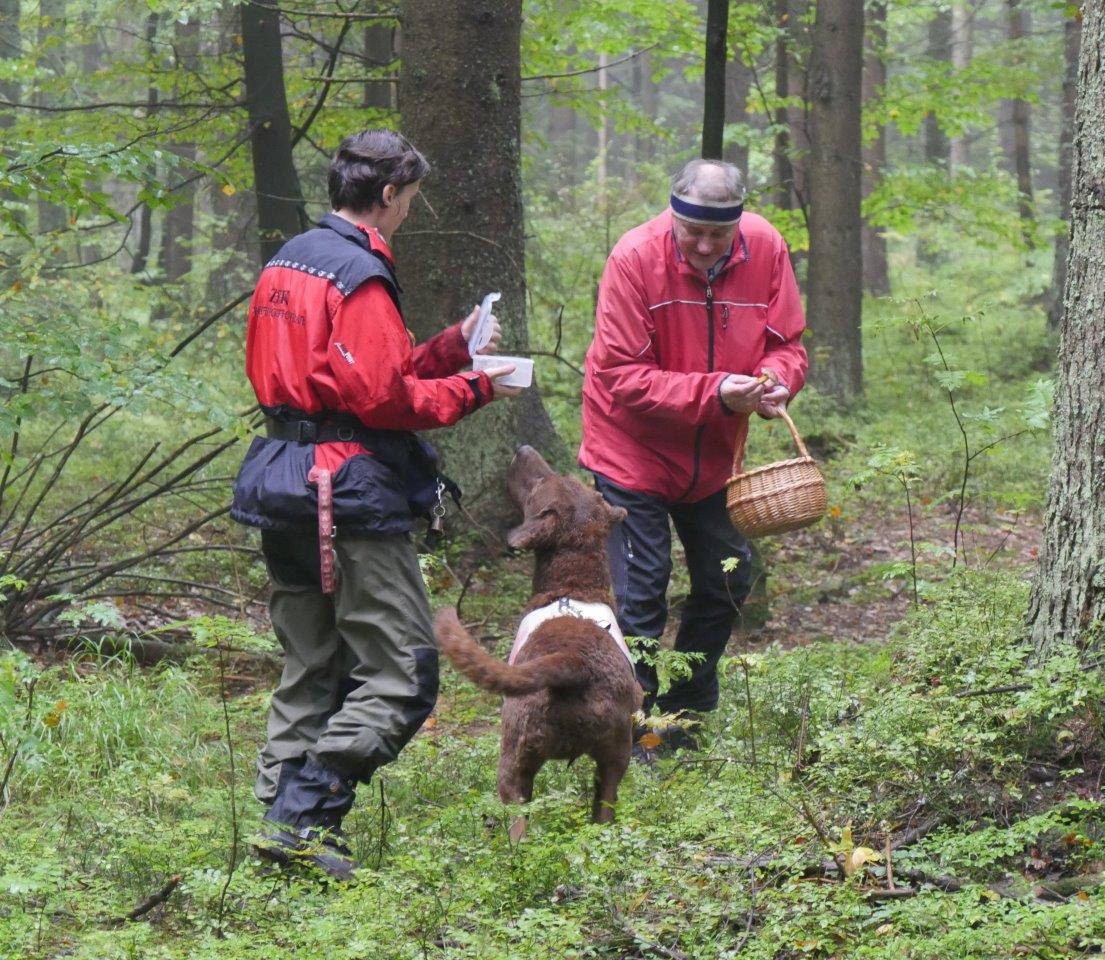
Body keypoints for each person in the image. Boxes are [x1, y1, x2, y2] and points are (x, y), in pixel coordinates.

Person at [230, 129, 522, 878]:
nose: (408, 214)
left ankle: (277, 834)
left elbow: (351, 380)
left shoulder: (287, 260)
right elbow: (384, 401)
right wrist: (482, 385)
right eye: (411, 201)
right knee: (403, 672)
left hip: (280, 475)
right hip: (346, 492)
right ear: (389, 194)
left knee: (313, 664)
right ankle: (303, 818)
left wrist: (455, 348)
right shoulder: (359, 274)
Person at [579, 158, 807, 754]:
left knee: (728, 578)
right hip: (632, 453)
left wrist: (778, 379)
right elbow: (621, 376)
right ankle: (629, 728)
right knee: (640, 594)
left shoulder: (766, 247)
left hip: (715, 460)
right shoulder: (634, 258)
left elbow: (787, 344)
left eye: (719, 234)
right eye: (693, 232)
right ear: (673, 214)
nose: (705, 246)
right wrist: (716, 392)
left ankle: (685, 715)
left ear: (739, 223)